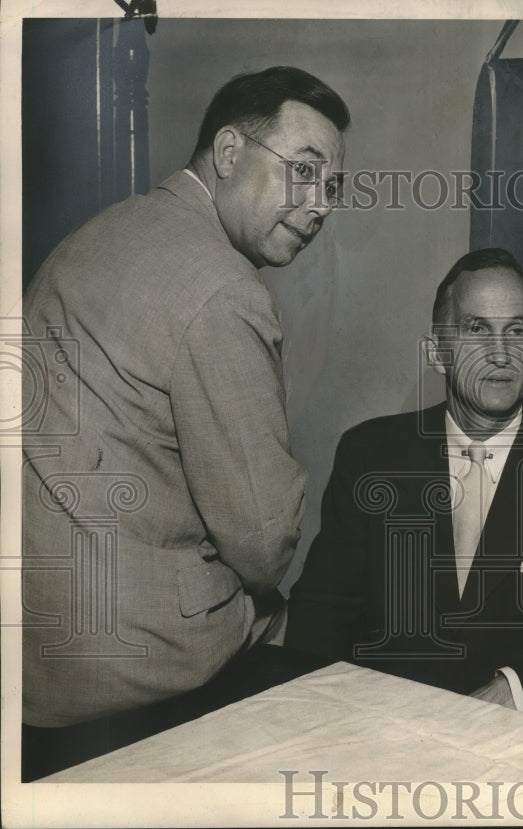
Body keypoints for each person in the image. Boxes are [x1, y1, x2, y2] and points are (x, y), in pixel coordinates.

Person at [22, 66, 349, 777]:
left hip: (33, 662)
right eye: (303, 171)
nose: (320, 204)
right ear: (229, 152)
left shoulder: (91, 236)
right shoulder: (227, 290)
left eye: (332, 186)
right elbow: (265, 539)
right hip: (138, 679)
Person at [286, 248, 523, 729]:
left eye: (516, 331)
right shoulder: (371, 456)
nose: (500, 353)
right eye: (477, 329)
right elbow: (321, 619)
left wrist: (508, 696)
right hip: (382, 741)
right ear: (438, 351)